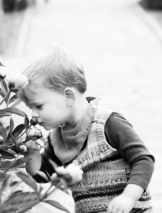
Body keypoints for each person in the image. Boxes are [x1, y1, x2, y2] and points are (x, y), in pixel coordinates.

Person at [18, 49, 154, 213]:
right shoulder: (57, 139)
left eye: (38, 106)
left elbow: (143, 160)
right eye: (30, 108)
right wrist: (31, 151)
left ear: (68, 96)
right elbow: (41, 175)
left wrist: (128, 197)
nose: (33, 114)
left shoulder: (108, 123)